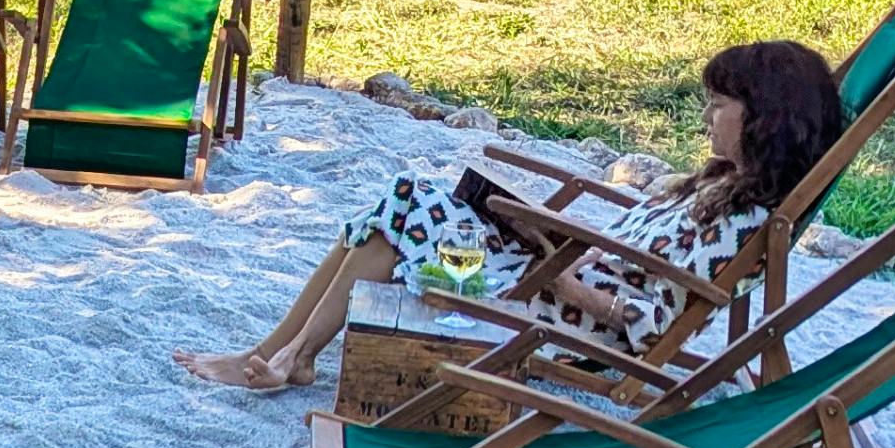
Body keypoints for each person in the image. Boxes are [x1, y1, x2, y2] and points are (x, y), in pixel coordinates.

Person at [178, 39, 848, 394]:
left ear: (765, 120)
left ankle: (285, 355)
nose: (706, 116)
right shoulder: (718, 188)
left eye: (720, 105)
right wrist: (546, 240)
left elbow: (644, 323)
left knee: (407, 209)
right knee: (407, 199)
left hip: (556, 313)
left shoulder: (738, 225)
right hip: (551, 278)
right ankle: (280, 353)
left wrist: (557, 269)